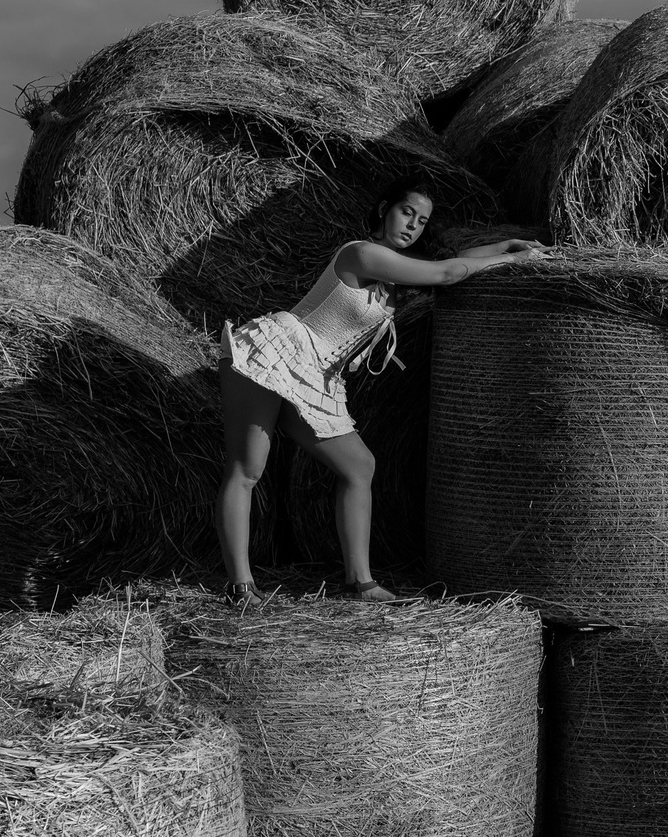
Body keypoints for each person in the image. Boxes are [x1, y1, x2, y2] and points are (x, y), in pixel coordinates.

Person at [215, 178, 542, 602]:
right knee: (248, 470)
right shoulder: (362, 254)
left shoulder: (393, 275)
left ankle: (361, 582)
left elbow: (448, 262)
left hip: (314, 374)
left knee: (359, 466)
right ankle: (241, 587)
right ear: (385, 208)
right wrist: (515, 260)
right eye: (407, 212)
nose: (413, 225)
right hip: (277, 352)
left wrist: (505, 246)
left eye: (422, 221)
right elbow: (447, 272)